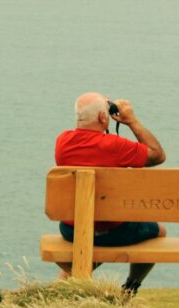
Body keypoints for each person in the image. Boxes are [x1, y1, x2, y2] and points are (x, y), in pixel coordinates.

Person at [54, 91, 167, 294]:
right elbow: (157, 155)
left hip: (73, 230)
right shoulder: (116, 147)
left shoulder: (62, 142)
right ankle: (130, 288)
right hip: (114, 232)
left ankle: (66, 285)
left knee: (88, 243)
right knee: (159, 232)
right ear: (103, 117)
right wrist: (131, 121)